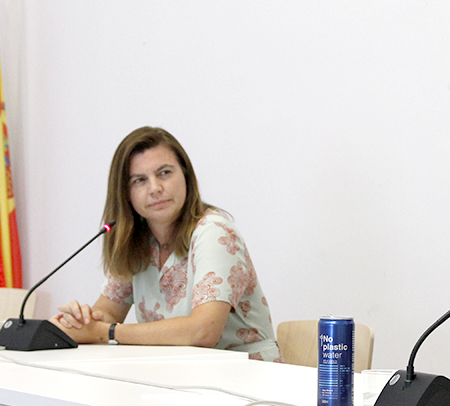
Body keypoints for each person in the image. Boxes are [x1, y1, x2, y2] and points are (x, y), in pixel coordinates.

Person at [53, 126, 280, 360]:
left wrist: (107, 333)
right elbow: (108, 312)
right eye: (139, 180)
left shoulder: (214, 232)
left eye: (164, 173)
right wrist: (79, 322)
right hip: (178, 370)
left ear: (186, 176)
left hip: (244, 371)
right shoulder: (137, 240)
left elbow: (203, 331)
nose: (155, 188)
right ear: (125, 194)